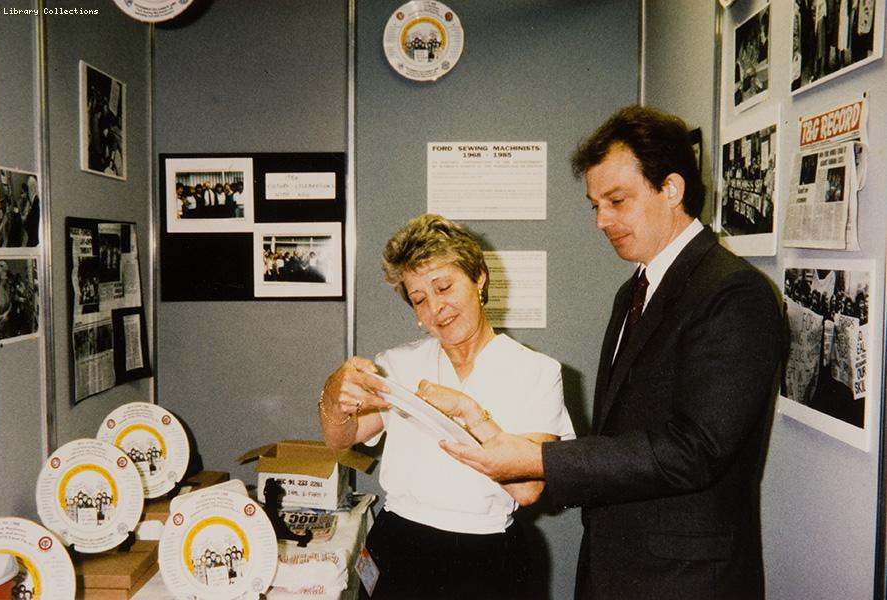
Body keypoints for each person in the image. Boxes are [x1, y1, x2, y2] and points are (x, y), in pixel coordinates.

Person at [436, 106, 783, 600]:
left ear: (671, 188)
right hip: (615, 563)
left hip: (684, 579)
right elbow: (625, 434)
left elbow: (696, 451)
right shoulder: (635, 291)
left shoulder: (733, 293)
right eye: (594, 204)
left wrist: (542, 459)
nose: (601, 220)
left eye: (617, 200)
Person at [319, 213, 575, 599]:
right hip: (399, 540)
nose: (436, 308)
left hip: (483, 553)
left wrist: (472, 413)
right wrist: (334, 393)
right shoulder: (398, 364)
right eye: (420, 300)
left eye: (444, 287)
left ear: (479, 279)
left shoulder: (536, 372)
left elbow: (527, 490)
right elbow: (341, 438)